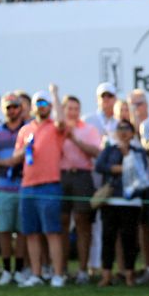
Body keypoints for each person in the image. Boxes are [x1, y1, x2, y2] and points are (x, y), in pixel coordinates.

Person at [13, 86, 67, 288]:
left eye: (45, 104)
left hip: (49, 186)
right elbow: (15, 157)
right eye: (38, 103)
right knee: (31, 233)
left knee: (52, 232)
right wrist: (25, 148)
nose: (41, 107)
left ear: (50, 107)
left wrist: (54, 94)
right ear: (33, 107)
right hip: (27, 186)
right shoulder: (25, 129)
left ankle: (58, 275)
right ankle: (36, 274)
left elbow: (62, 122)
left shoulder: (55, 126)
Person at [95, 119, 149, 287]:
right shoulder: (110, 150)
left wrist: (126, 158)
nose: (123, 131)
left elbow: (142, 174)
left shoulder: (138, 151)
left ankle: (129, 276)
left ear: (133, 133)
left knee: (129, 240)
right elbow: (99, 166)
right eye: (120, 128)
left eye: (127, 129)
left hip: (131, 203)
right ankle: (106, 276)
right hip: (110, 201)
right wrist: (119, 168)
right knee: (108, 239)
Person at [0, 93, 27, 286]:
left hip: (24, 186)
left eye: (15, 107)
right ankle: (6, 269)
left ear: (21, 108)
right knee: (3, 230)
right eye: (8, 107)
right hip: (2, 187)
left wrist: (18, 161)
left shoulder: (28, 130)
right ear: (4, 109)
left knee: (21, 231)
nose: (12, 110)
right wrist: (6, 162)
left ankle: (18, 269)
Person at [59, 95, 101, 285]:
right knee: (62, 224)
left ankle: (83, 270)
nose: (73, 112)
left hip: (83, 176)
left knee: (83, 224)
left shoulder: (89, 130)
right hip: (61, 176)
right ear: (64, 109)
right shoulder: (56, 130)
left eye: (76, 108)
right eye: (69, 108)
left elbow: (96, 152)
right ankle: (62, 269)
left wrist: (74, 139)